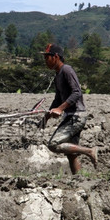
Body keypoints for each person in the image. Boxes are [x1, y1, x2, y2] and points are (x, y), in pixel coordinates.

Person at [40, 43, 98, 174]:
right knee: (71, 154)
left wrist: (60, 109)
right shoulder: (57, 75)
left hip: (76, 116)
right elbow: (57, 98)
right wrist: (47, 116)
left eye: (46, 57)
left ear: (55, 57)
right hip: (71, 116)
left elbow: (77, 92)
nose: (45, 61)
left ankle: (90, 151)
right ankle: (78, 180)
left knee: (53, 144)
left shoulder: (67, 70)